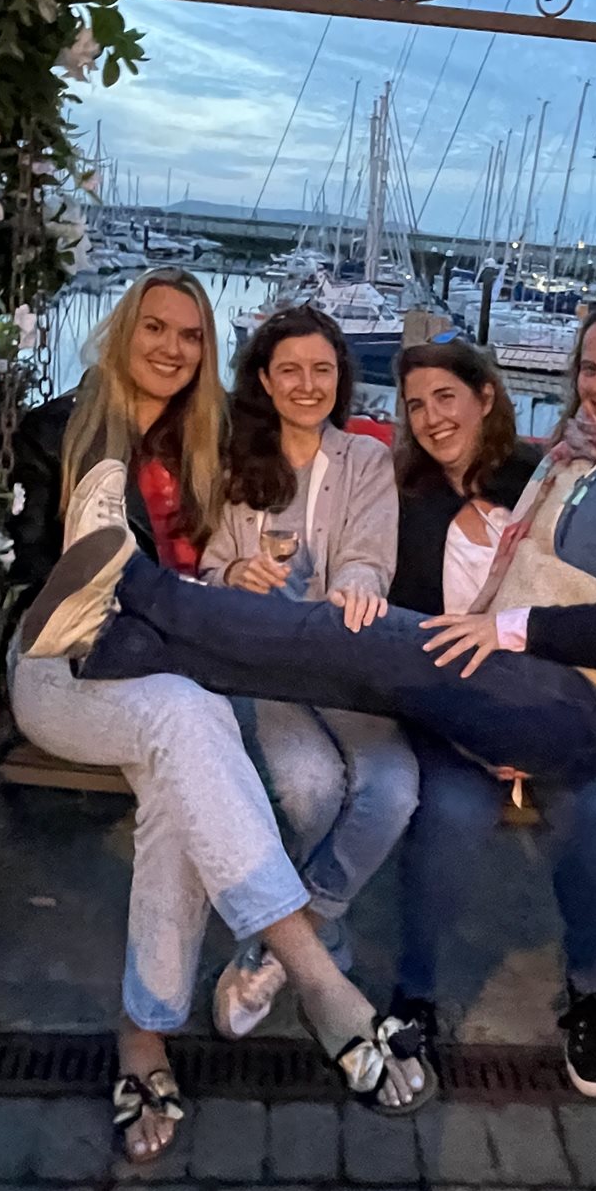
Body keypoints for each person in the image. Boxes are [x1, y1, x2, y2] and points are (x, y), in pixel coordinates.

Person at [20, 296, 596, 849]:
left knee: (365, 646)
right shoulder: (573, 461)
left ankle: (127, 588)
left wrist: (508, 628)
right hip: (521, 683)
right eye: (589, 368)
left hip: (581, 708)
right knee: (345, 676)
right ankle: (121, 639)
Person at [5, 270, 432, 1161]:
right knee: (190, 723)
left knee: (184, 763)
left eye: (190, 334)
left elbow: (238, 560)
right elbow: (47, 579)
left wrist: (228, 585)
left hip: (178, 677)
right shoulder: (60, 432)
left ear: (206, 352)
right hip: (66, 666)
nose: (171, 347)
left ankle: (144, 1036)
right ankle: (318, 978)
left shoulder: (207, 442)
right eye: (154, 327)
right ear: (123, 330)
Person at [383, 339, 596, 1098]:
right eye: (416, 405)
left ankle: (588, 991)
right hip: (454, 712)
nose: (432, 418)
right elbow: (404, 636)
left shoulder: (549, 481)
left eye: (446, 397)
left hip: (562, 704)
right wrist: (470, 729)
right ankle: (415, 992)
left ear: (485, 397)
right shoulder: (406, 501)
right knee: (450, 815)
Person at [199, 306, 415, 1040]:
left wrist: (356, 585)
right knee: (310, 787)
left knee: (393, 789)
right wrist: (237, 571)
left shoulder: (365, 461)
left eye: (322, 369)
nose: (307, 384)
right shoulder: (235, 461)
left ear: (340, 378)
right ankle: (324, 953)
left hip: (343, 660)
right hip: (265, 665)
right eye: (289, 369)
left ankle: (286, 943)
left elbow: (370, 557)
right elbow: (210, 568)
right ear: (264, 379)